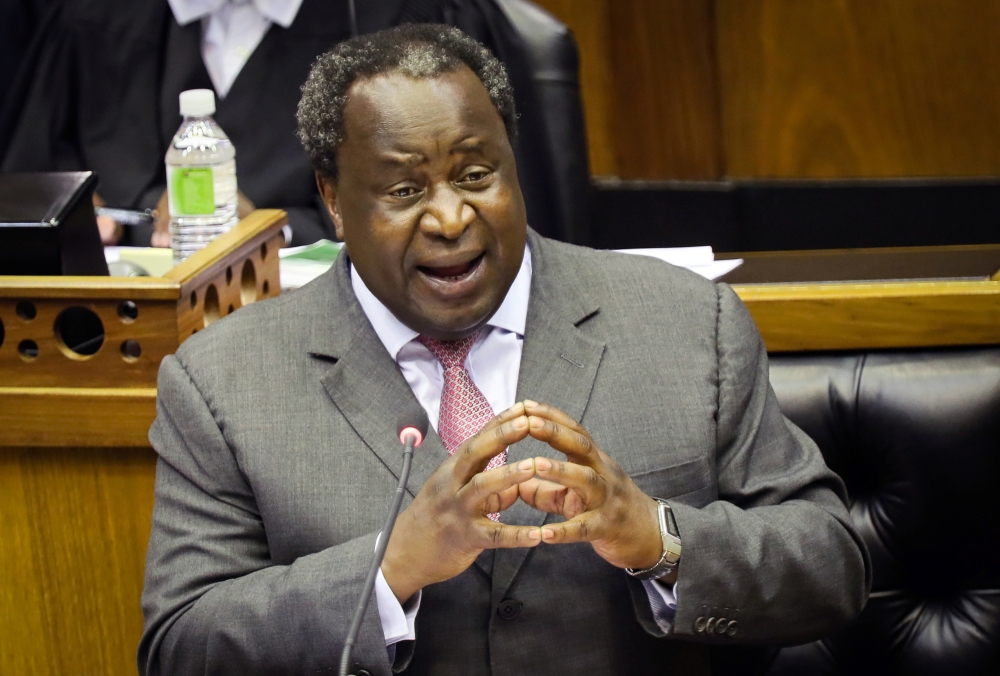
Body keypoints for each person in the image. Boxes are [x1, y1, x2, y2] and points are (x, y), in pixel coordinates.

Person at [139, 25, 870, 676]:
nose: (450, 217)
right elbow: (182, 645)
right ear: (332, 198)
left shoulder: (686, 322)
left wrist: (658, 536)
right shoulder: (223, 383)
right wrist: (390, 571)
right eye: (404, 190)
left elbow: (830, 566)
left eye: (475, 176)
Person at [0, 0, 590, 249]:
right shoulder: (87, 19)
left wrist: (271, 231)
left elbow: (476, 217)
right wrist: (72, 217)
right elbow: (28, 187)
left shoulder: (409, 15)